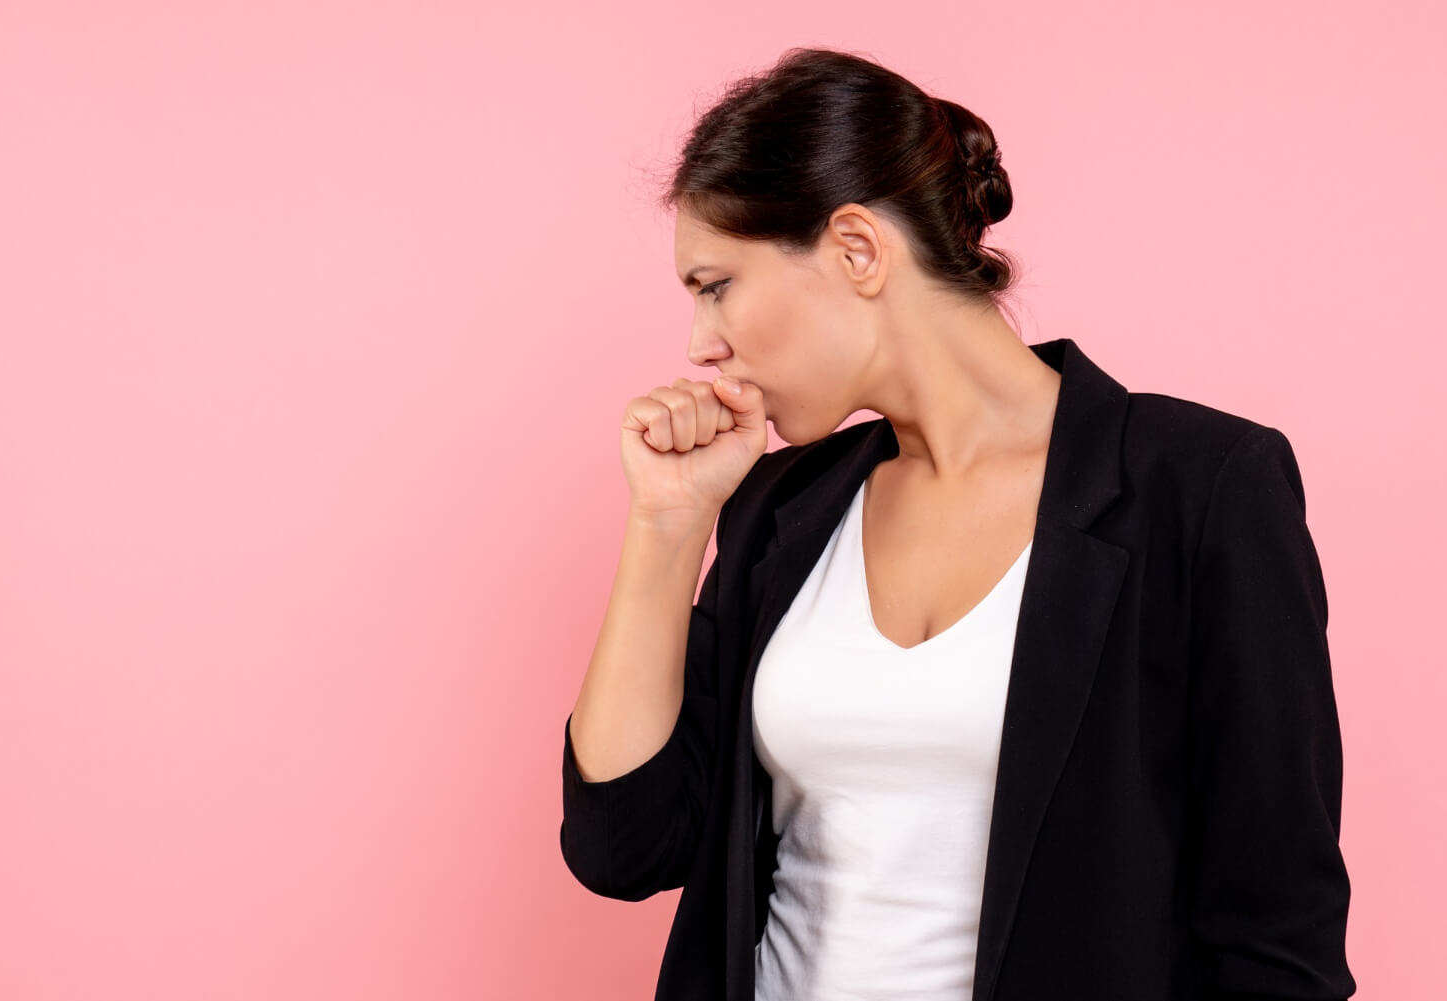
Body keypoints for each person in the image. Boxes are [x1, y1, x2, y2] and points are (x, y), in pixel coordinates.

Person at [560, 46, 1356, 1001]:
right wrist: (668, 523)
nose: (701, 343)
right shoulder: (782, 509)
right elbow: (624, 845)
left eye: (716, 284)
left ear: (856, 248)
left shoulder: (1201, 486)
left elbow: (1280, 939)